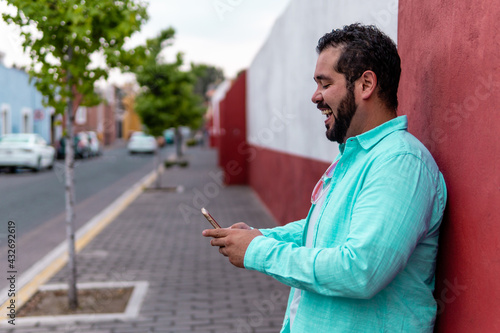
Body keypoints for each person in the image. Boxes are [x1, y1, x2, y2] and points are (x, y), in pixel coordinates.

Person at [203, 23, 447, 333]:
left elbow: (360, 271)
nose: (315, 97)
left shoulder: (400, 162)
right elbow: (326, 230)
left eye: (325, 83)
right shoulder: (357, 155)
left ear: (366, 84)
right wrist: (262, 236)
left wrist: (257, 252)